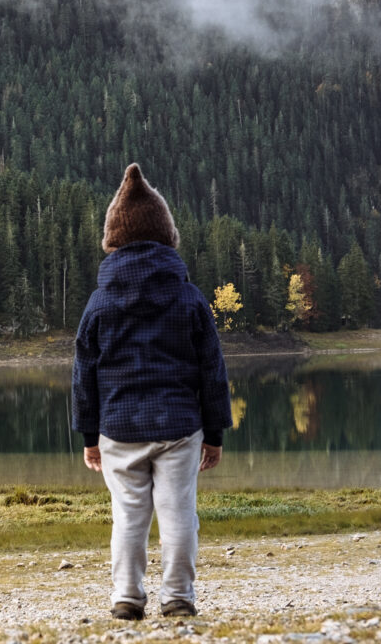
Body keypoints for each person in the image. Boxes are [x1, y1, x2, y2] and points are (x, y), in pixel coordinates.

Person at [71, 163, 232, 621]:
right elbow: (212, 370)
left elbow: (84, 375)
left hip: (118, 429)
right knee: (179, 513)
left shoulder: (99, 303)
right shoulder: (189, 297)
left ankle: (127, 598)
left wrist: (88, 437)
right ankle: (178, 597)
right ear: (167, 235)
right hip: (181, 427)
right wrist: (215, 431)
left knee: (128, 516)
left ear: (113, 239)